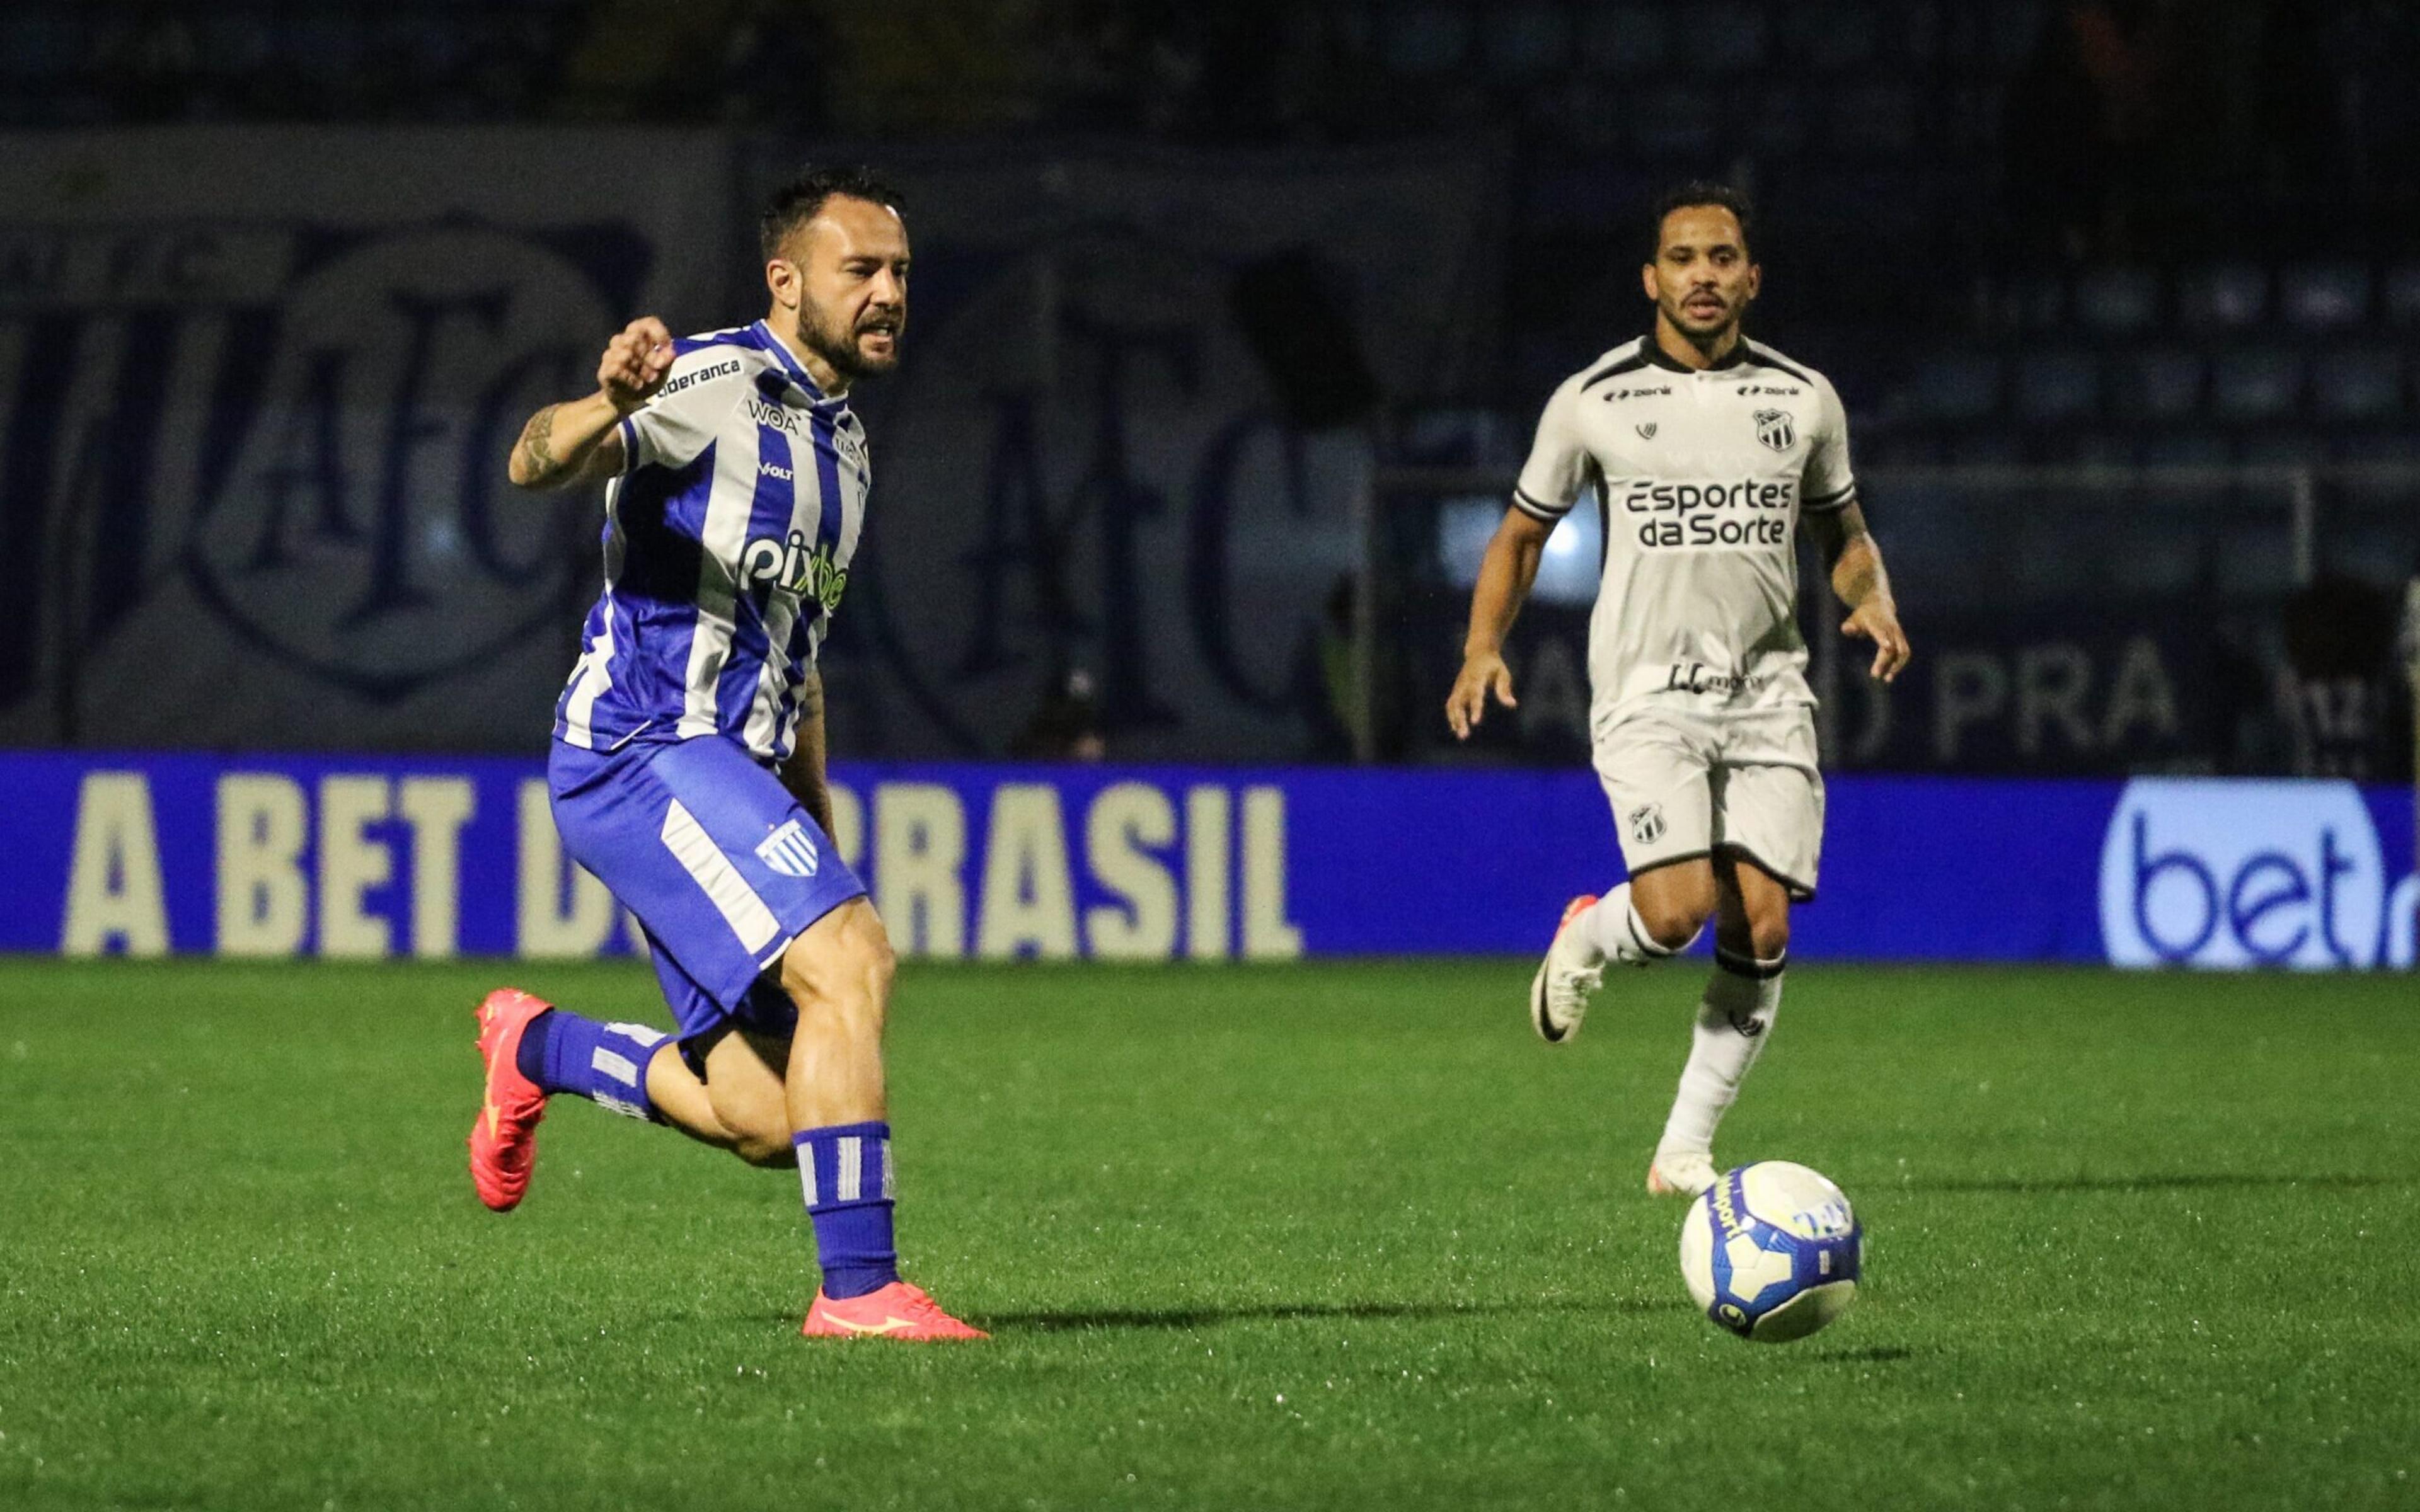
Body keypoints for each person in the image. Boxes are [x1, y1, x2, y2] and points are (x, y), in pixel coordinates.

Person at [472, 166, 983, 1341]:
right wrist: (606, 400)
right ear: (787, 279)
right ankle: (858, 1295)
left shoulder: (846, 450)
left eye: (901, 272)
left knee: (773, 1116)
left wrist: (813, 824)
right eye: (862, 271)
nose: (890, 293)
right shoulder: (709, 379)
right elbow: (533, 460)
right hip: (642, 746)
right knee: (853, 970)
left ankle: (538, 1046)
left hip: (730, 774)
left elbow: (797, 660)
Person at [1444, 182, 1910, 1199]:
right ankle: (1588, 934)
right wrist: (1485, 646)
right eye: (1685, 259)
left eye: (1723, 258)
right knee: (1675, 912)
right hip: (1648, 693)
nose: (1704, 276)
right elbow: (1522, 535)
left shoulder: (1803, 398)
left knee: (1767, 927)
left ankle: (1683, 1154)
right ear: (1652, 278)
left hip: (1768, 694)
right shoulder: (1594, 399)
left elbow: (1843, 532)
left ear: (1752, 277)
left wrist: (1869, 597)